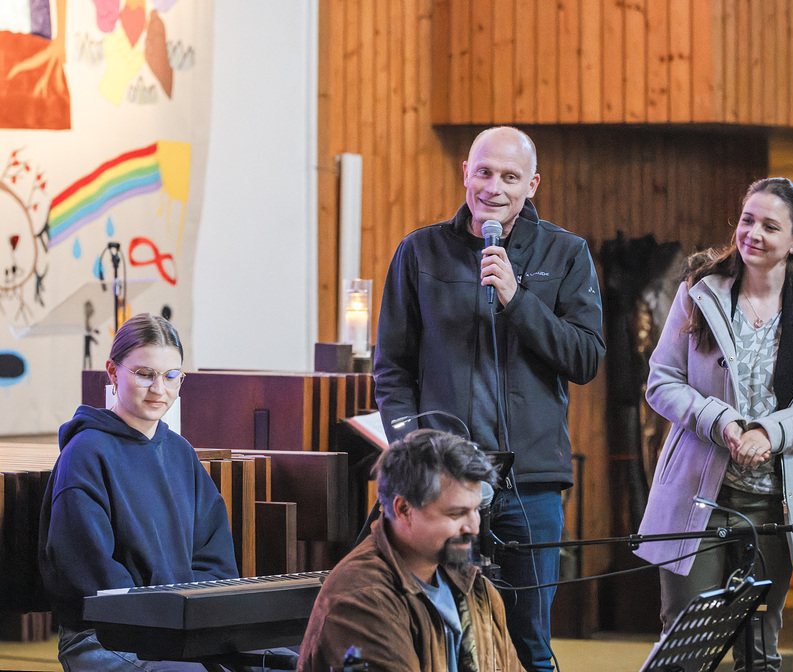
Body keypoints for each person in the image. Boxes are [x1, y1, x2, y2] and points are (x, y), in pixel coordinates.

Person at [373, 125, 605, 671]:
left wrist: (517, 299)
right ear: (465, 174)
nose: (494, 187)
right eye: (483, 172)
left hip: (532, 483)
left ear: (532, 185)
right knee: (443, 637)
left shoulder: (566, 253)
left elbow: (586, 358)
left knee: (529, 643)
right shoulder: (419, 251)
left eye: (509, 177)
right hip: (443, 484)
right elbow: (392, 369)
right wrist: (413, 452)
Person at [633, 178, 793, 671]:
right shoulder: (699, 290)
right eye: (747, 220)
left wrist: (771, 433)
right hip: (698, 497)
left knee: (758, 650)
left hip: (775, 503)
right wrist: (723, 422)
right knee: (686, 647)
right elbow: (662, 382)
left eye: (770, 226)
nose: (753, 233)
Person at [38, 313, 242, 671]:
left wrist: (189, 618)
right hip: (105, 635)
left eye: (171, 376)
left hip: (181, 627)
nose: (159, 389)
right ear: (113, 372)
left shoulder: (181, 453)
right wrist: (168, 616)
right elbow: (91, 573)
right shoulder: (86, 454)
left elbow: (215, 561)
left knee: (291, 659)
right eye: (145, 374)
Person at [297, 429, 525, 672]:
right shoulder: (361, 597)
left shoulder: (477, 589)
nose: (474, 527)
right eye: (456, 513)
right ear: (404, 510)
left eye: (476, 510)